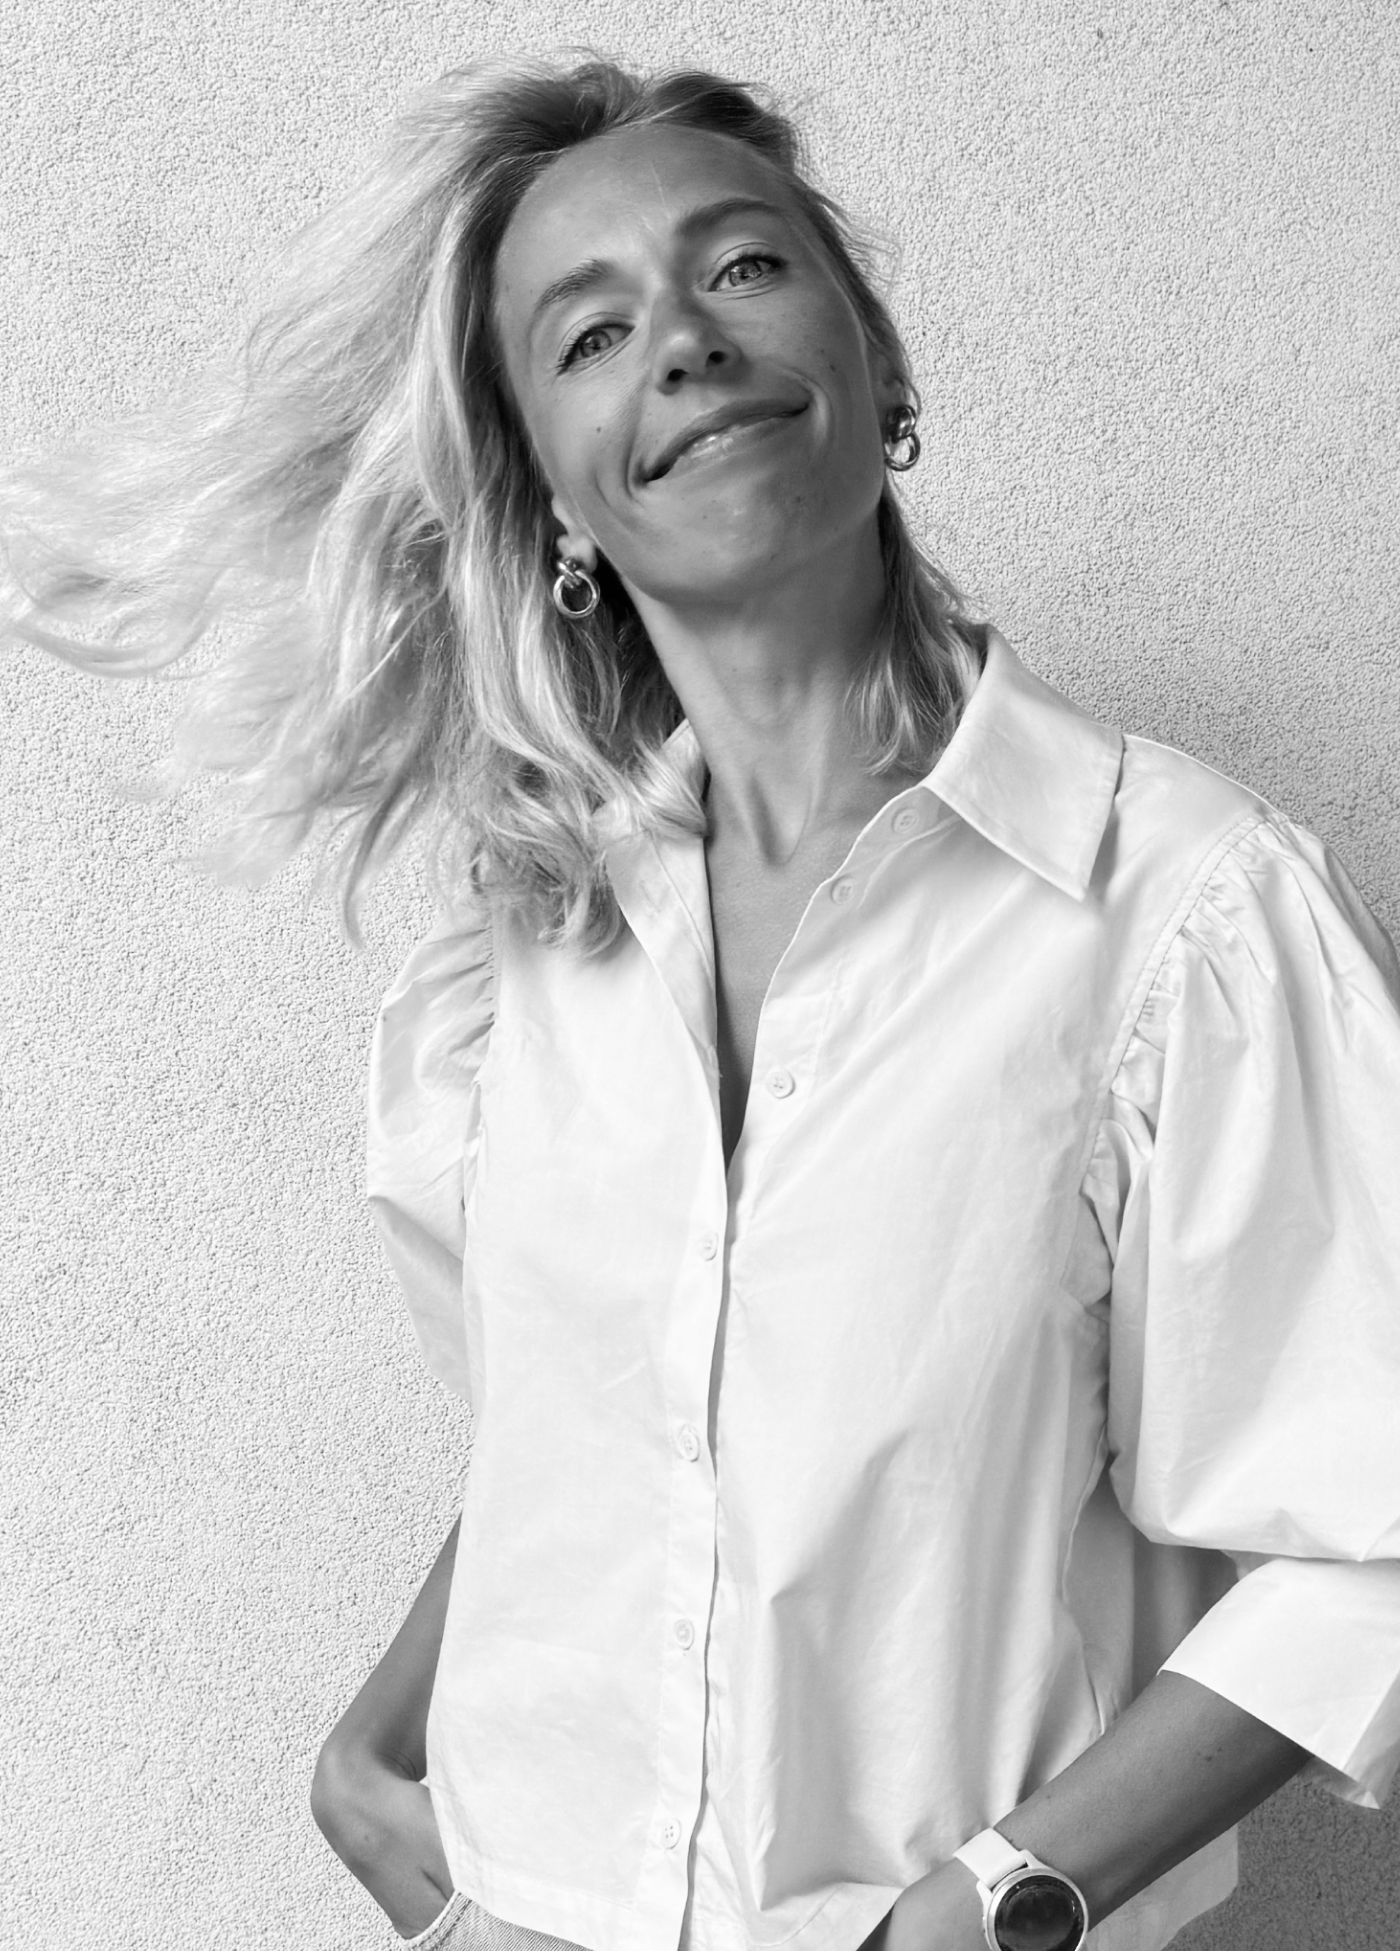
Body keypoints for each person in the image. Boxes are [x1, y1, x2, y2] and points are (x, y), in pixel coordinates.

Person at [5, 51, 1399, 1951]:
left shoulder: (1179, 913)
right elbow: (606, 1430)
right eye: (588, 334)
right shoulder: (526, 963)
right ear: (556, 499)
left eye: (739, 268)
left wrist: (991, 1909)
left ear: (877, 362)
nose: (678, 341)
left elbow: (1369, 1541)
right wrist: (374, 1750)